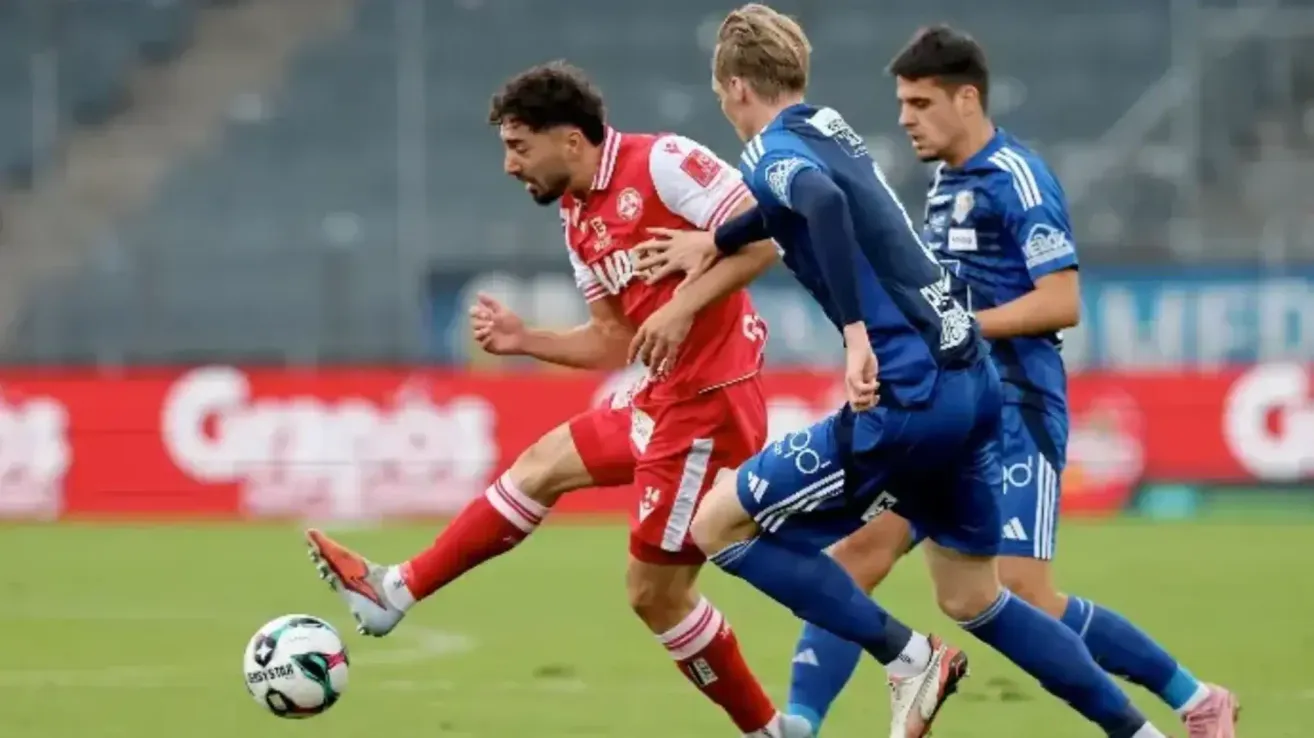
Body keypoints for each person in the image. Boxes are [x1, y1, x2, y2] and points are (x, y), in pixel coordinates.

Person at [630, 5, 1173, 737]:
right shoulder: (827, 127)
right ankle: (1140, 733)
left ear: (733, 89)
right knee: (975, 597)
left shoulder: (765, 149)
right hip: (973, 381)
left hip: (908, 392)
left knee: (719, 525)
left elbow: (814, 200)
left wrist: (855, 334)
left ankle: (908, 658)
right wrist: (715, 240)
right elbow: (799, 198)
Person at [304, 61, 813, 738]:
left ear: (570, 140)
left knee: (655, 596)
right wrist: (523, 340)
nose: (510, 167)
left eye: (519, 147)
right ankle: (391, 592)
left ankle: (769, 730)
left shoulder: (662, 162)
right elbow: (610, 340)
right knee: (542, 463)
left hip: (707, 409)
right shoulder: (578, 221)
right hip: (662, 399)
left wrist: (683, 308)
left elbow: (768, 237)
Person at [775, 25, 1239, 738]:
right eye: (902, 103)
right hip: (947, 409)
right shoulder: (944, 185)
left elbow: (1062, 300)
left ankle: (1192, 697)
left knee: (1021, 591)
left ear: (968, 98)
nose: (905, 118)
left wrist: (961, 327)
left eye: (920, 102)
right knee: (856, 558)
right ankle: (797, 724)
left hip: (1017, 409)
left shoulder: (1016, 178)